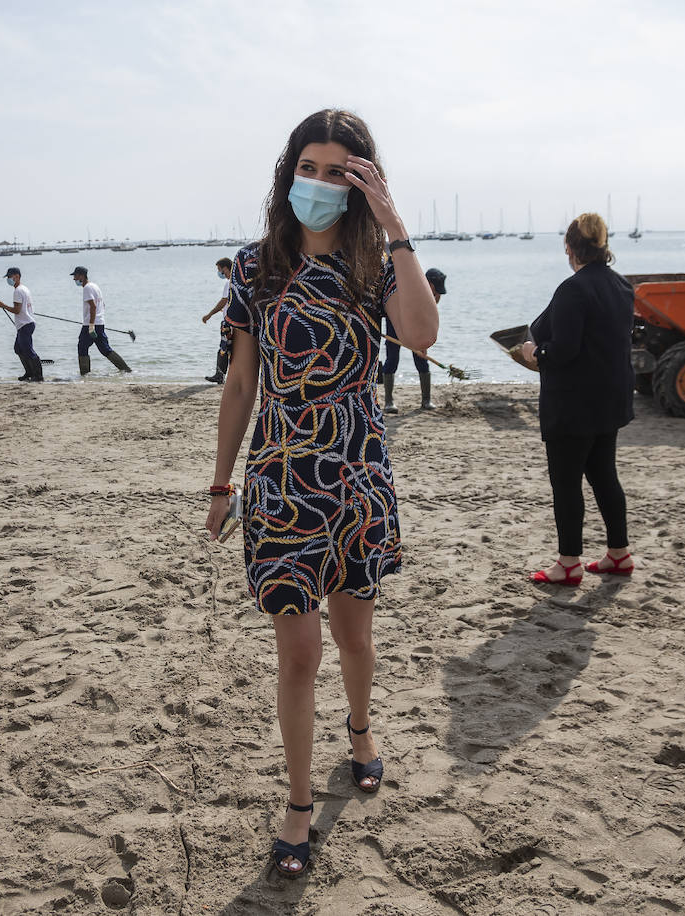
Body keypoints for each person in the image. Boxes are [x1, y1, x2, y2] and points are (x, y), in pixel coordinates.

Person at [204, 109, 438, 878]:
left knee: (354, 640)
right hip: (279, 482)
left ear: (361, 182)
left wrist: (393, 221)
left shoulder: (373, 265)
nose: (318, 183)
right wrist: (220, 480)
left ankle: (362, 729)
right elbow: (241, 382)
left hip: (357, 474)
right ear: (288, 172)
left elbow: (421, 335)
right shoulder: (254, 267)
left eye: (338, 171)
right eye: (308, 166)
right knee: (298, 652)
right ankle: (299, 804)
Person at [517, 213, 634, 585]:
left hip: (573, 404)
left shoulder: (573, 289)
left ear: (569, 248)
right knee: (605, 477)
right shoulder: (622, 286)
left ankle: (568, 563)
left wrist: (533, 354)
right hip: (610, 400)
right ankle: (619, 553)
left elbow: (563, 350)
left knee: (566, 484)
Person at [381, 267, 445, 412]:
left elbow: (428, 313)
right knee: (392, 359)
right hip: (396, 318)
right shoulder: (408, 283)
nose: (436, 295)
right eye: (435, 291)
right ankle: (389, 402)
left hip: (417, 320)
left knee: (422, 359)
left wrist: (423, 345)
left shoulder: (430, 290)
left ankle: (426, 401)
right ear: (430, 283)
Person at [70, 267, 132, 375]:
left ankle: (85, 375)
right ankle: (126, 370)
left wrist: (91, 326)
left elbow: (93, 307)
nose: (74, 279)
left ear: (82, 276)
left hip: (90, 324)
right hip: (99, 323)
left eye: (75, 276)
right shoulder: (95, 286)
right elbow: (103, 305)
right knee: (105, 349)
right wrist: (99, 321)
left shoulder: (87, 288)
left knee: (82, 347)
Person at [0, 267, 43, 382]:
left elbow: (17, 310)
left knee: (28, 350)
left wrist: (3, 306)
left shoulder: (18, 291)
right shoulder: (24, 289)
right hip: (26, 323)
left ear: (17, 276)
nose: (8, 279)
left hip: (25, 324)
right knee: (18, 348)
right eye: (7, 277)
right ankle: (29, 372)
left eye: (10, 277)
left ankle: (38, 376)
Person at [202, 257, 234, 384]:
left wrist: (209, 314)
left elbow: (223, 301)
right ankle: (227, 375)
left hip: (227, 322)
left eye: (219, 269)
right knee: (229, 350)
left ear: (224, 268)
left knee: (223, 348)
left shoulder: (229, 282)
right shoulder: (237, 281)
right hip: (234, 321)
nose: (219, 272)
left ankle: (219, 375)